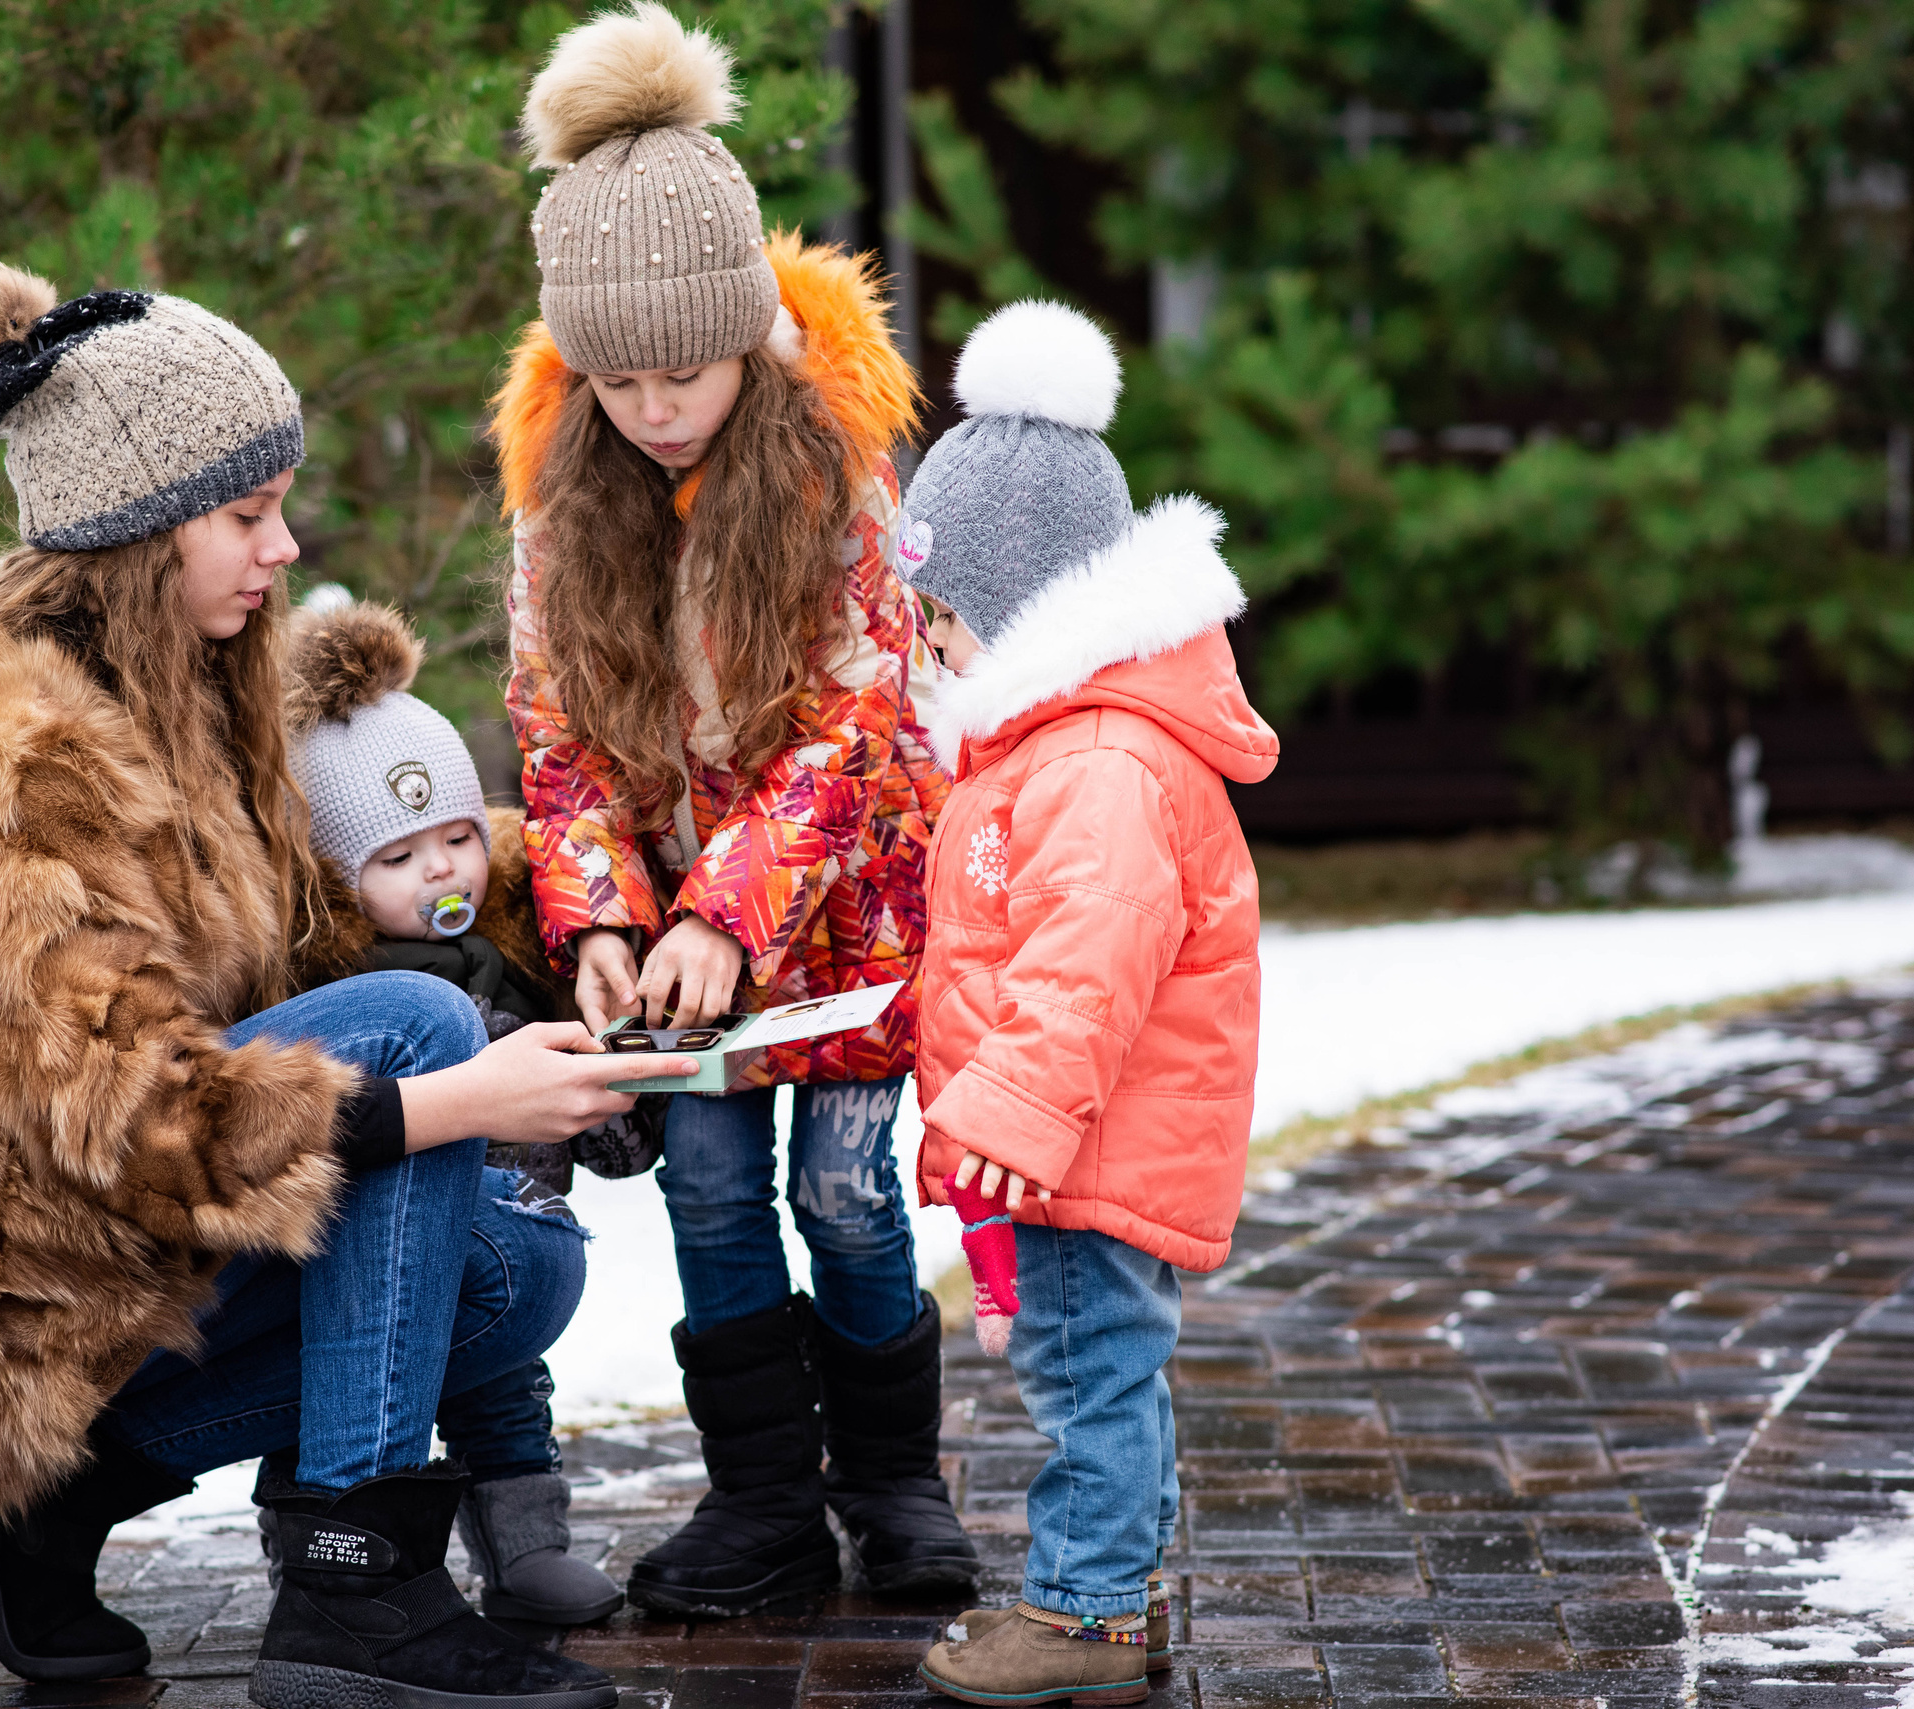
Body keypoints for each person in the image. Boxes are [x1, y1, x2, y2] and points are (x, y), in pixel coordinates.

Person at [0, 262, 698, 1709]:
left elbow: (301, 948)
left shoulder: (179, 687)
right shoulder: (19, 758)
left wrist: (566, 958)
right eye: (247, 515)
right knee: (417, 1036)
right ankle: (354, 1585)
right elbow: (126, 1114)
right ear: (137, 530)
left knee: (520, 1270)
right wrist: (458, 1092)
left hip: (75, 1235)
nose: (285, 547)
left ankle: (54, 1506)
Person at [495, 2, 973, 1615]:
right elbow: (556, 739)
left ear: (747, 335)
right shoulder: (562, 506)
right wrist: (611, 917)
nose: (652, 406)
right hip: (683, 942)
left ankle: (895, 1482)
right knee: (706, 1187)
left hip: (839, 913)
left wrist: (722, 906)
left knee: (844, 1187)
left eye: (682, 368)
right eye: (613, 378)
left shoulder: (839, 471)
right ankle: (761, 1495)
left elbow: (859, 721)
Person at [890, 301, 1280, 1707]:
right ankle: (1109, 1596)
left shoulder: (1101, 763)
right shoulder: (1051, 749)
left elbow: (1089, 959)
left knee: (1091, 1376)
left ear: (1024, 608)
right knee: (1104, 1366)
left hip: (1082, 1143)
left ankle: (1089, 1614)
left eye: (939, 620)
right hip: (1071, 1140)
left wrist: (1012, 1108)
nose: (924, 649)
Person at [279, 596, 660, 1628]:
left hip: (508, 1238)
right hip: (369, 1257)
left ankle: (526, 1545)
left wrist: (623, 1099)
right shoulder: (329, 990)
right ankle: (326, 1553)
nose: (441, 869)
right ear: (336, 880)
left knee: (506, 1392)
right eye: (396, 858)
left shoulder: (515, 951)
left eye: (454, 836)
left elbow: (604, 1119)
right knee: (329, 1384)